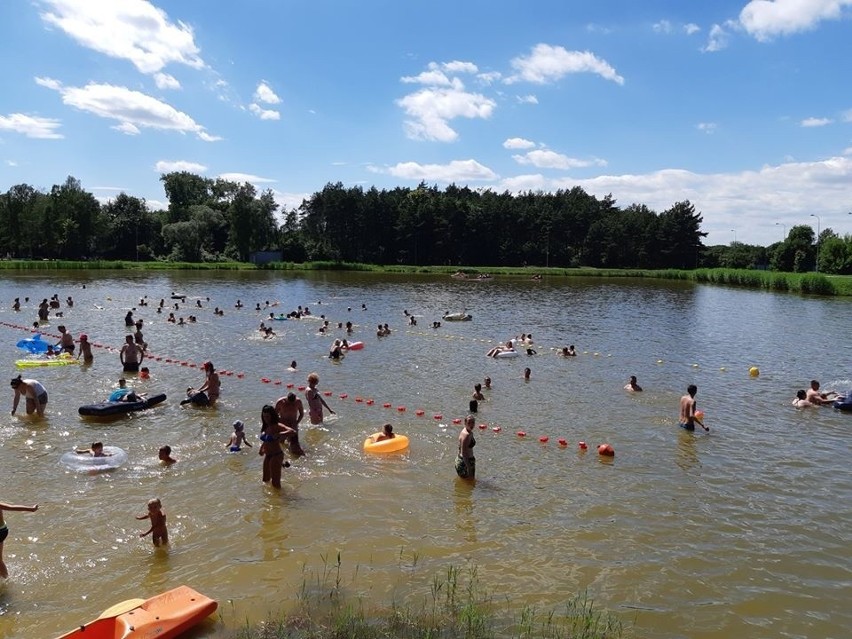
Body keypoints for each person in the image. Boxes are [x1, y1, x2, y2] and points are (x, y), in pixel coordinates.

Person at [0, 501, 39, 578]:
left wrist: (31, 509)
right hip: (3, 530)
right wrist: (31, 509)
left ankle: (5, 578)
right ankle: (4, 576)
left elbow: (11, 507)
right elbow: (11, 507)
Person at [260, 404, 295, 488]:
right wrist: (262, 447)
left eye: (268, 417)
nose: (266, 419)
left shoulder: (277, 426)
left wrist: (279, 434)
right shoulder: (266, 426)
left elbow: (292, 431)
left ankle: (280, 500)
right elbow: (267, 439)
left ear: (272, 416)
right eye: (264, 417)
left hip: (276, 455)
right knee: (265, 480)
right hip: (268, 455)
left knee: (275, 484)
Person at [275, 392, 305, 456]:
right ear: (287, 399)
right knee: (281, 442)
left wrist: (297, 422)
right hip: (283, 425)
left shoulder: (298, 402)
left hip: (293, 424)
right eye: (289, 403)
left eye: (293, 403)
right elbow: (275, 415)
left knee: (294, 443)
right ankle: (283, 454)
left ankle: (294, 455)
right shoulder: (280, 402)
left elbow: (301, 414)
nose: (291, 404)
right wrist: (280, 422)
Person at [455, 415, 477, 480]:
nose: (471, 425)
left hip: (463, 461)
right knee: (469, 484)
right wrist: (469, 468)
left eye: (473, 422)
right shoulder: (466, 435)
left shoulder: (468, 431)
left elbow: (460, 447)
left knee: (467, 484)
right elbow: (464, 453)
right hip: (465, 463)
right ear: (465, 423)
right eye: (469, 423)